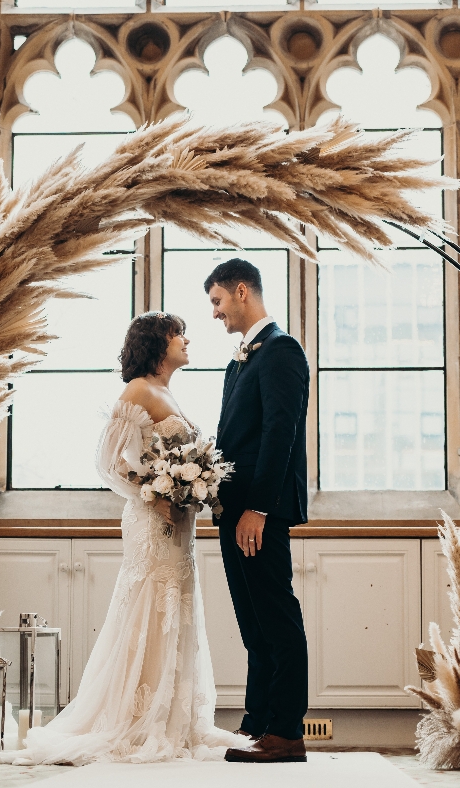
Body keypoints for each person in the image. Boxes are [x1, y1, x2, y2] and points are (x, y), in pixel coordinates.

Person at [17, 311, 246, 765]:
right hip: (152, 522)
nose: (186, 339)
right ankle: (136, 716)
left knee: (176, 609)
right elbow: (106, 462)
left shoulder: (167, 390)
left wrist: (190, 483)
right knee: (147, 608)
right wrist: (153, 494)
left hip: (180, 523)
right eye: (178, 333)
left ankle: (170, 716)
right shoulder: (138, 389)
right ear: (158, 343)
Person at [204, 258, 309, 764]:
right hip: (233, 509)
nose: (216, 314)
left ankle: (286, 731)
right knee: (253, 624)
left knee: (276, 616)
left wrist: (259, 510)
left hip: (257, 513)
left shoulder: (282, 351)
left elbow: (279, 435)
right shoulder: (243, 357)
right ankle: (257, 723)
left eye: (218, 302)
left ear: (242, 291)